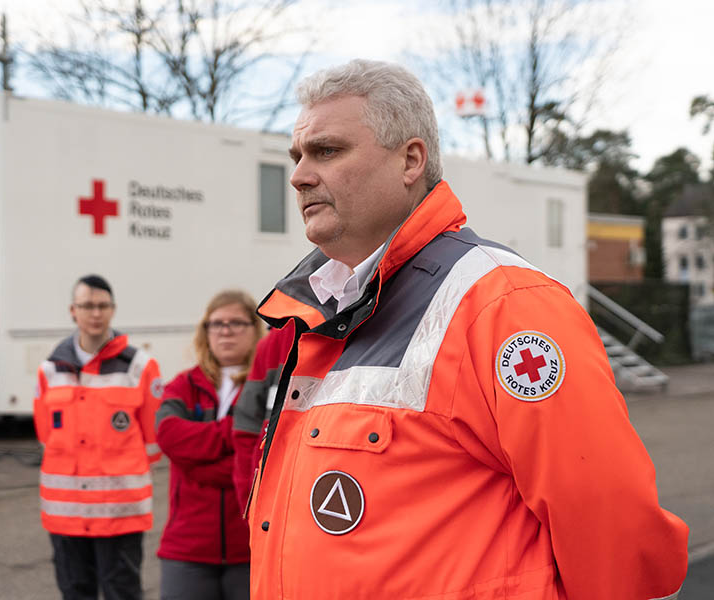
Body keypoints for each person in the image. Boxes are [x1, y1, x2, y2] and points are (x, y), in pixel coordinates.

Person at [246, 60, 689, 600]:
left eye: (327, 151)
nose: (298, 175)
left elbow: (610, 526)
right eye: (298, 156)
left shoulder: (504, 306)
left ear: (411, 160)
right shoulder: (323, 313)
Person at [33, 274, 163, 600]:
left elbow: (153, 441)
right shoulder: (50, 370)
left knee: (123, 593)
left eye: (102, 305)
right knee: (75, 593)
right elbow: (45, 436)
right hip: (67, 516)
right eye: (87, 305)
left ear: (113, 310)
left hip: (118, 515)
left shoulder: (139, 367)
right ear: (72, 311)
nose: (95, 313)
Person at [155, 290, 264, 600]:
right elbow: (167, 435)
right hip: (187, 550)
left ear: (255, 329)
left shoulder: (269, 385)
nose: (225, 331)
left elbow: (267, 456)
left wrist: (193, 462)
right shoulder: (184, 385)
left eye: (236, 323)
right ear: (205, 332)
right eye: (216, 324)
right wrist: (237, 430)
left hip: (251, 548)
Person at [230, 323, 294, 509]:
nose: (226, 332)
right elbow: (246, 433)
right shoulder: (276, 340)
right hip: (273, 508)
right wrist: (251, 509)